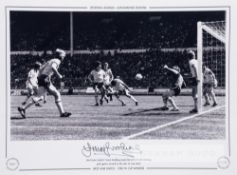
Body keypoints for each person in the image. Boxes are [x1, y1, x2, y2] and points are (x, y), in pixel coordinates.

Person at [18, 49, 72, 118]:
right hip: (45, 78)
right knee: (57, 94)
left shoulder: (51, 60)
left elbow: (41, 69)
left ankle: (23, 109)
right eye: (63, 55)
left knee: (39, 97)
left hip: (42, 78)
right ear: (61, 56)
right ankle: (62, 113)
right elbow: (53, 67)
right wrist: (59, 75)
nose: (64, 57)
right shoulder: (57, 60)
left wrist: (41, 78)